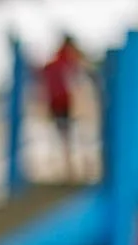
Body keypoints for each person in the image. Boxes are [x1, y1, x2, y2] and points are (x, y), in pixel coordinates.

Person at [41, 35, 88, 179]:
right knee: (69, 135)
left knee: (63, 135)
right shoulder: (68, 61)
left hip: (58, 102)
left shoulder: (54, 63)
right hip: (65, 102)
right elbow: (75, 82)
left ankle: (67, 167)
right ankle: (69, 168)